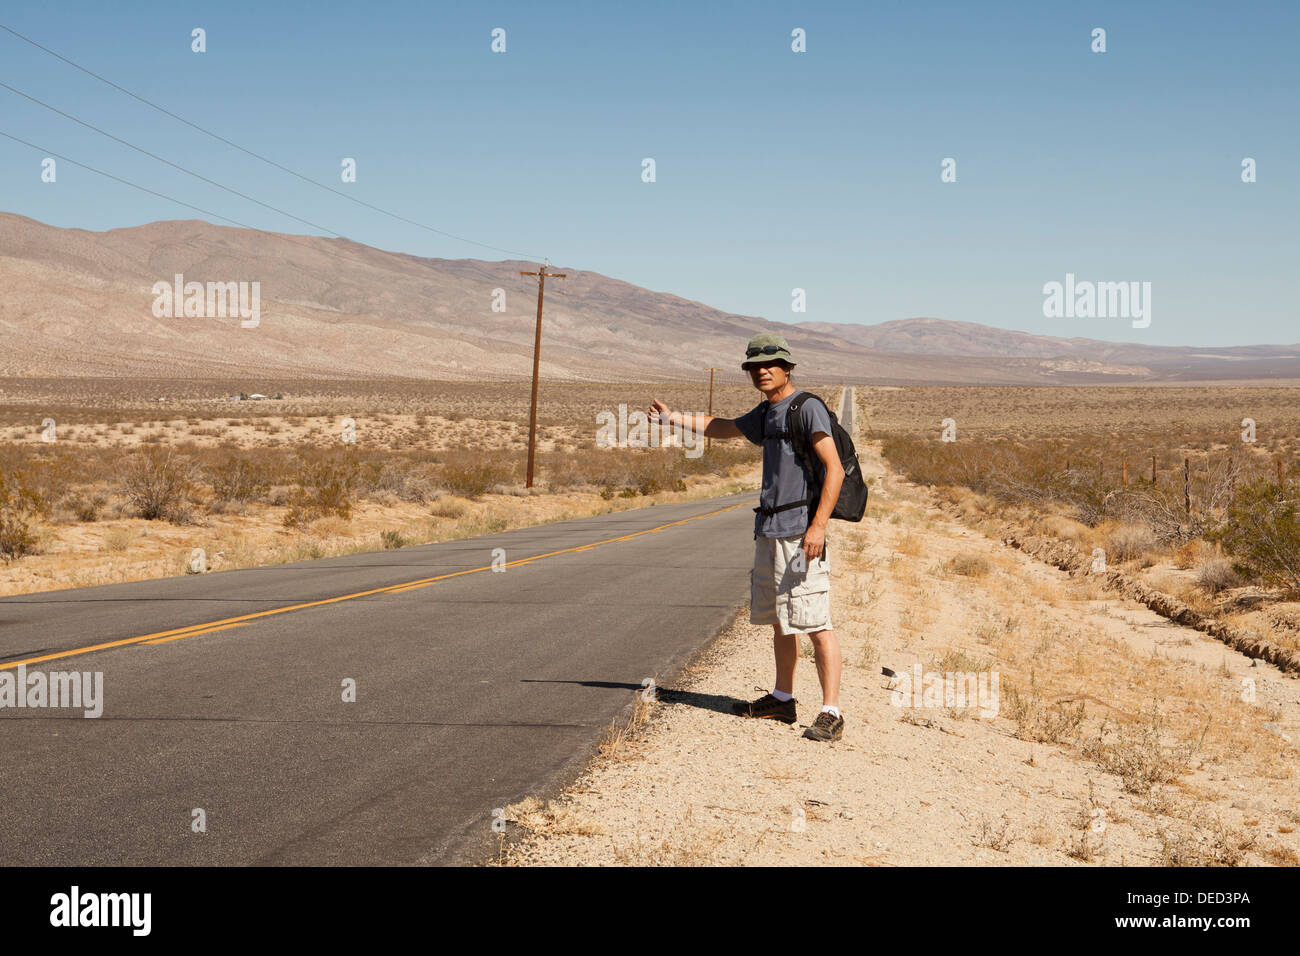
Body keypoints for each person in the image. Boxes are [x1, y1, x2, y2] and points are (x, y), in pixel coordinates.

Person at [649, 333, 846, 742]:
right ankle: (782, 698)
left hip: (800, 533)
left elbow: (835, 469)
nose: (762, 371)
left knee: (815, 621)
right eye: (754, 366)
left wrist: (819, 526)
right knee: (780, 620)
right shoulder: (767, 411)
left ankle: (831, 711)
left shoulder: (806, 408)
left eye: (770, 364)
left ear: (788, 367)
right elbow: (723, 427)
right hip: (770, 530)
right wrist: (674, 418)